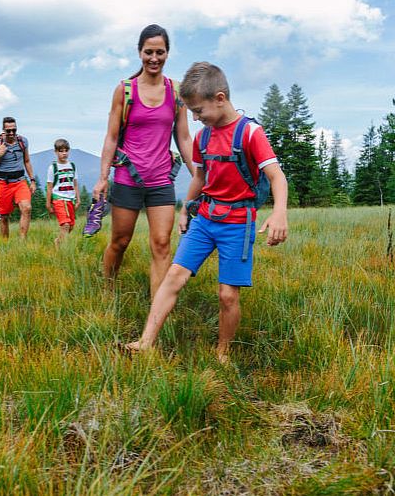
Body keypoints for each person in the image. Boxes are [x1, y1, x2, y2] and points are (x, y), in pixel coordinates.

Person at [124, 61, 289, 364]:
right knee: (173, 276)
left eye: (199, 111)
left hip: (238, 224)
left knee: (227, 295)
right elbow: (200, 178)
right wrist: (187, 210)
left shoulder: (250, 133)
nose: (197, 119)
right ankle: (146, 342)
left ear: (220, 98)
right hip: (205, 220)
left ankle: (222, 354)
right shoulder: (203, 138)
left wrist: (279, 213)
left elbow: (276, 176)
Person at [92, 24, 194, 299]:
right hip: (128, 178)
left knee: (161, 244)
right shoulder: (125, 90)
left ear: (167, 54)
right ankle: (108, 288)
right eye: (148, 52)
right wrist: (103, 178)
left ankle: (157, 307)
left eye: (160, 52)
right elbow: (111, 137)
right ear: (139, 53)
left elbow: (183, 138)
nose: (154, 58)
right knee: (120, 241)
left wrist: (198, 174)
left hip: (161, 180)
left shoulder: (176, 92)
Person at [0, 116, 37, 239]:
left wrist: (32, 180)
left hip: (20, 181)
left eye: (14, 130)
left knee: (26, 208)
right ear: (3, 130)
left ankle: (22, 240)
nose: (11, 133)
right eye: (8, 130)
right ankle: (5, 244)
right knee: (4, 216)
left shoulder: (23, 141)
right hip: (4, 183)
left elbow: (27, 161)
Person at [46, 138, 80, 246]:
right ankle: (62, 249)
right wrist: (48, 203)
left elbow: (75, 184)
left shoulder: (72, 166)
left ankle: (58, 241)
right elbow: (49, 187)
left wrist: (78, 199)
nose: (64, 153)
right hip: (59, 199)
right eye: (61, 151)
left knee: (70, 226)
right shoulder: (53, 168)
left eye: (66, 150)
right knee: (65, 224)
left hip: (70, 199)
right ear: (56, 152)